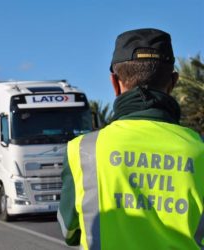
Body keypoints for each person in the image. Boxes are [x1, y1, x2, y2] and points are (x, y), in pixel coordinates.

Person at [57, 28, 204, 249]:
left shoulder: (83, 150)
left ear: (115, 83)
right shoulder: (200, 149)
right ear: (173, 82)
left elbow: (69, 231)